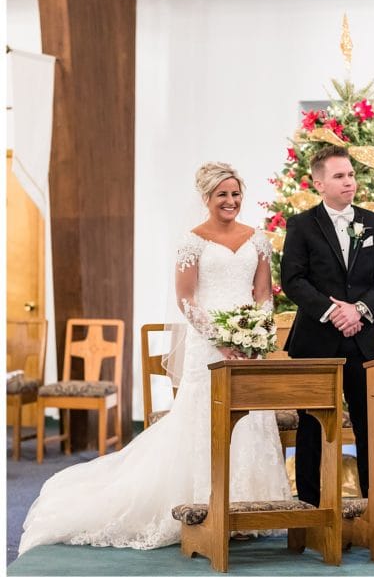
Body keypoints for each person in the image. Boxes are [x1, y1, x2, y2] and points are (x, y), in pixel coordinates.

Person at [19, 163, 290, 554]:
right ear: (207, 199)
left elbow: (263, 293)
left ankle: (244, 510)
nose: (230, 201)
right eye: (222, 195)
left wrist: (256, 333)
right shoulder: (192, 242)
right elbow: (186, 299)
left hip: (249, 350)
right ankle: (206, 505)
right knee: (203, 419)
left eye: (235, 194)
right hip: (208, 345)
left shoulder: (258, 240)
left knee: (249, 420)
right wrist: (220, 337)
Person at [280, 146, 374, 534]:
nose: (349, 181)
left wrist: (359, 310)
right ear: (318, 183)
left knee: (370, 426)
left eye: (351, 174)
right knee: (312, 426)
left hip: (363, 342)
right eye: (339, 176)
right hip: (316, 341)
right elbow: (293, 280)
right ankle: (309, 512)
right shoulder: (301, 225)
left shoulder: (373, 223)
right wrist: (334, 311)